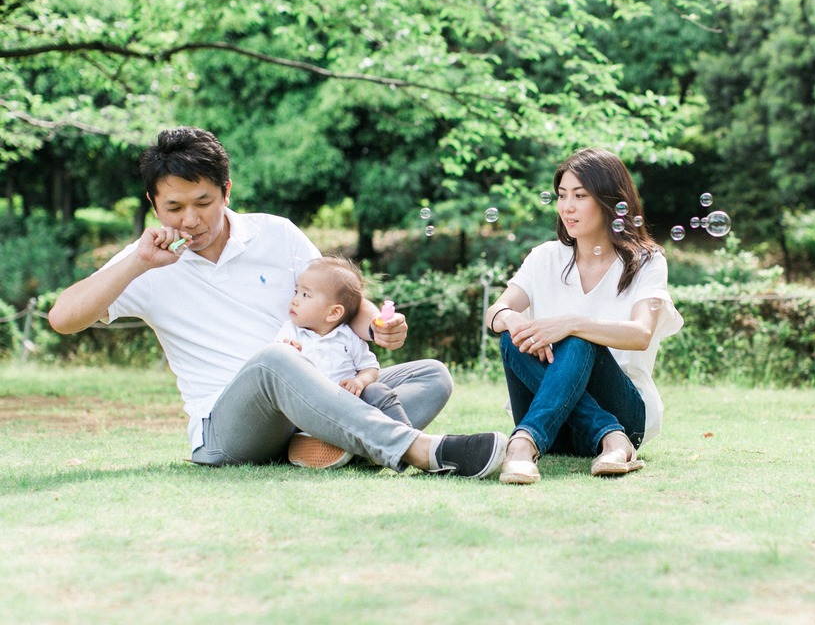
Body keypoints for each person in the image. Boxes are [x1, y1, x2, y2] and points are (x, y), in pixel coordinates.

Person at [48, 127, 505, 478]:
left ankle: (321, 445)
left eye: (204, 202)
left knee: (431, 375)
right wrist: (136, 265)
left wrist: (376, 328)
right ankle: (422, 450)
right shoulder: (145, 260)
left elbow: (343, 298)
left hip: (311, 395)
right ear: (153, 204)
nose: (190, 219)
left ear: (227, 191)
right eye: (174, 207)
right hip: (228, 429)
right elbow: (62, 318)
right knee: (272, 360)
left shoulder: (276, 232)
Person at [484, 147, 683, 485]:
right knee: (509, 335)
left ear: (609, 200)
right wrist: (511, 318)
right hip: (555, 423)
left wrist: (573, 323)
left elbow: (641, 333)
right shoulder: (544, 257)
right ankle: (607, 437)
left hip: (624, 411)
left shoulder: (647, 261)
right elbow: (495, 312)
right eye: (562, 196)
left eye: (580, 195)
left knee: (578, 339)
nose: (567, 207)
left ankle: (521, 445)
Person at [275, 255, 412, 468]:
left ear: (334, 313)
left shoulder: (348, 336)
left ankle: (407, 440)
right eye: (296, 292)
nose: (294, 300)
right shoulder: (291, 331)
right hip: (308, 411)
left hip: (349, 409)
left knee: (378, 391)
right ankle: (321, 445)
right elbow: (277, 361)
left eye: (305, 295)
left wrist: (360, 382)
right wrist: (290, 352)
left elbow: (370, 368)